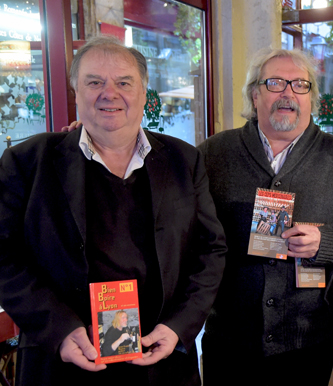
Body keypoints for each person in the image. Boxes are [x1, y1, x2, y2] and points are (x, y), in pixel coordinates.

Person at [0, 35, 227, 386]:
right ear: (76, 90)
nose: (110, 93)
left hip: (160, 361)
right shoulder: (27, 162)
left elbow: (210, 250)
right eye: (95, 82)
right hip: (65, 363)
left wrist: (178, 326)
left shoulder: (184, 160)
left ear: (144, 91)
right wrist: (58, 329)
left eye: (124, 82)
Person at [197, 48, 333, 386]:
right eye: (276, 83)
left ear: (312, 98)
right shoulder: (213, 154)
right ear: (255, 95)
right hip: (230, 341)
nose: (288, 93)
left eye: (300, 85)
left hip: (306, 341)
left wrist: (324, 243)